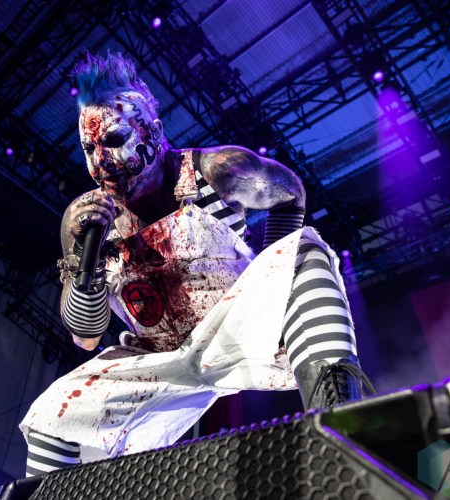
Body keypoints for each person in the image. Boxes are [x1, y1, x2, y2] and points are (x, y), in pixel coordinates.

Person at [19, 52, 374, 477]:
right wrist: (85, 261)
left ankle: (339, 427)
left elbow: (290, 192)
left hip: (235, 330)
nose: (101, 163)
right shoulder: (85, 220)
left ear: (153, 131)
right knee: (51, 420)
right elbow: (85, 337)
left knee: (304, 251)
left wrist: (272, 276)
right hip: (158, 359)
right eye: (88, 149)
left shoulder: (217, 170)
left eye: (113, 140)